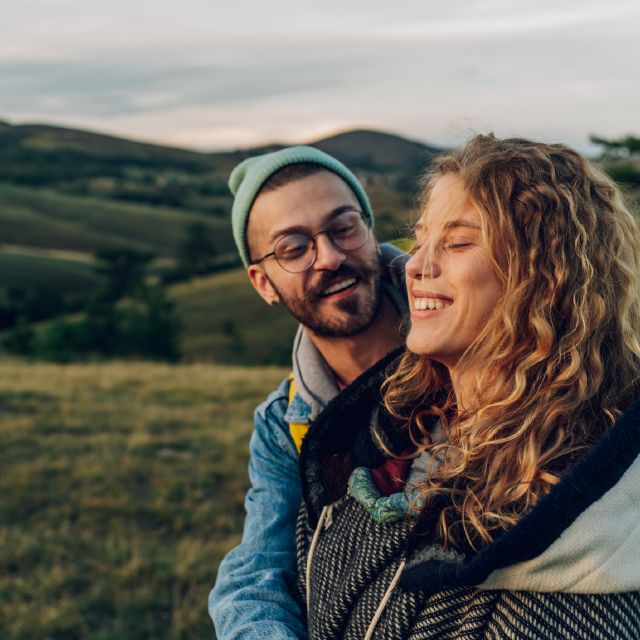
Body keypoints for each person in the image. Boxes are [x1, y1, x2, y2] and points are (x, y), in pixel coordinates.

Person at [296, 134, 640, 639]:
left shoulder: (581, 534)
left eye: (457, 243)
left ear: (545, 280)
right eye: (421, 239)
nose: (415, 265)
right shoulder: (384, 431)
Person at [209, 146, 409, 638]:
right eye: (293, 248)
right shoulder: (285, 425)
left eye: (343, 228)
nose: (331, 257)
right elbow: (255, 578)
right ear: (263, 283)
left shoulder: (477, 346)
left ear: (369, 225)